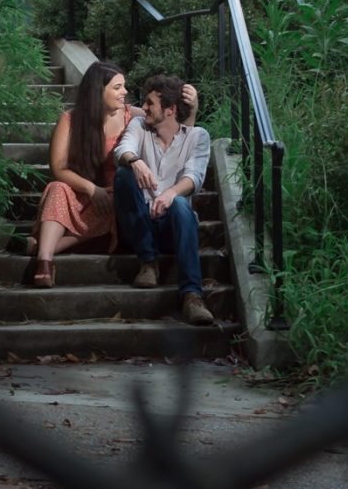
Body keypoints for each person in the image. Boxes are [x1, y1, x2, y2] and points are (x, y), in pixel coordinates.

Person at [112, 73, 216, 326]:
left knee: (181, 204)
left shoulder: (197, 136)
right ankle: (148, 263)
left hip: (173, 227)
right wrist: (136, 163)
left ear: (169, 110)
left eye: (149, 103)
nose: (143, 107)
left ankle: (192, 296)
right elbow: (122, 149)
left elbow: (195, 177)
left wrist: (170, 193)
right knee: (124, 174)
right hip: (139, 224)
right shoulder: (139, 126)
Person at [27, 62, 136, 288]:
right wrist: (91, 189)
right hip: (80, 194)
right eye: (117, 87)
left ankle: (40, 248)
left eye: (123, 87)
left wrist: (191, 109)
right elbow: (58, 168)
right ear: (98, 90)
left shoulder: (131, 117)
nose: (124, 92)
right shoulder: (70, 120)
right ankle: (45, 263)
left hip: (113, 201)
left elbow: (172, 127)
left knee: (118, 198)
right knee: (57, 188)